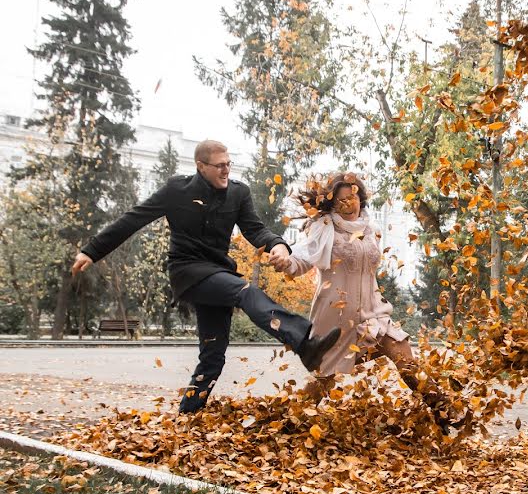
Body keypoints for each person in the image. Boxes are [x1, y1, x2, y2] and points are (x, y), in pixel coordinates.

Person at [70, 140, 340, 413]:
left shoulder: (238, 193)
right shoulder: (177, 190)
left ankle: (187, 416)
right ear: (201, 166)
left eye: (228, 164)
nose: (226, 171)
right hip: (188, 272)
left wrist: (278, 245)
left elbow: (255, 230)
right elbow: (133, 219)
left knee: (213, 355)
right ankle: (304, 342)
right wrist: (92, 251)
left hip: (219, 274)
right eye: (219, 166)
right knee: (246, 291)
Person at [269, 173, 420, 401]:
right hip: (336, 322)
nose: (348, 204)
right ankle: (289, 427)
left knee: (407, 361)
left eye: (353, 197)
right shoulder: (323, 227)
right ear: (332, 202)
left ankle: (446, 412)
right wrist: (285, 262)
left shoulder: (371, 230)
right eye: (341, 200)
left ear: (361, 198)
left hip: (373, 315)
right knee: (320, 386)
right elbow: (301, 258)